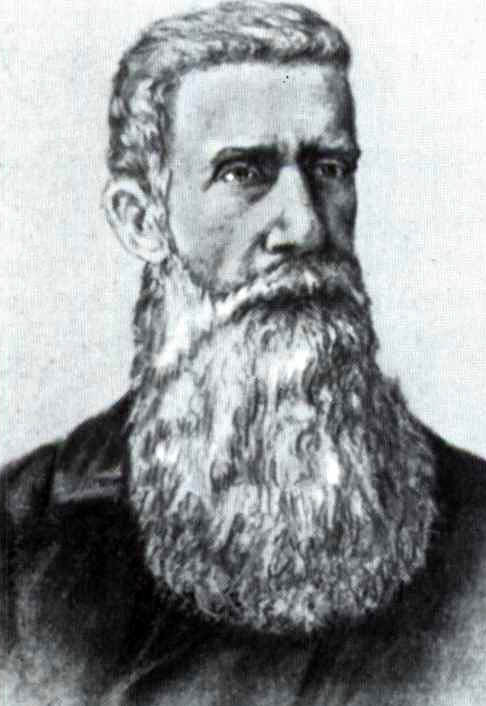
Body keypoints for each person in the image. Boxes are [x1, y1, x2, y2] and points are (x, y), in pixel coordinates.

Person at [1, 2, 486, 704]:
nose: (304, 225)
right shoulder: (22, 536)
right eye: (243, 173)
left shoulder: (476, 529)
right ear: (142, 220)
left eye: (329, 168)